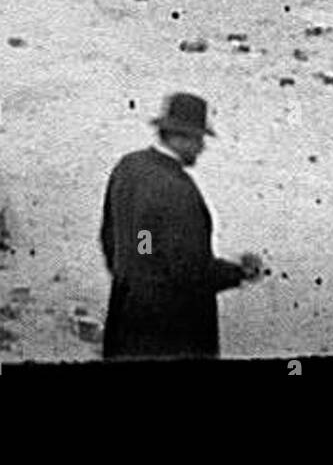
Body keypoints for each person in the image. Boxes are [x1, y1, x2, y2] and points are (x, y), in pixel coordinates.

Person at [99, 92, 263, 360]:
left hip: (126, 318)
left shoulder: (129, 168)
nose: (201, 148)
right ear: (180, 137)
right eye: (198, 139)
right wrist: (239, 272)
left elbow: (119, 238)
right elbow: (189, 271)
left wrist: (136, 273)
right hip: (172, 333)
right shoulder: (178, 191)